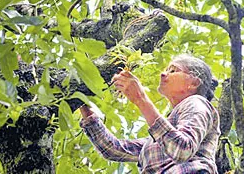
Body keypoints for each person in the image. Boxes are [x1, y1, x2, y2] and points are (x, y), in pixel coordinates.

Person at [79, 55, 220, 173]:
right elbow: (112, 149)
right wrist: (81, 102)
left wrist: (141, 99)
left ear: (194, 83)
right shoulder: (159, 139)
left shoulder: (196, 102)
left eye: (173, 70)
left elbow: (182, 149)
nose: (163, 74)